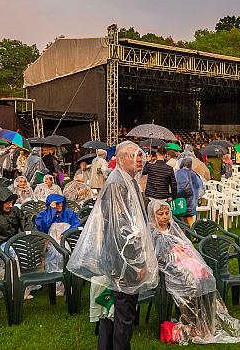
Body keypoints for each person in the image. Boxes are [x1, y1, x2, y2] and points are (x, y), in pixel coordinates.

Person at [68, 141, 158, 350]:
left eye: (140, 156)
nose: (140, 160)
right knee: (124, 312)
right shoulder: (119, 184)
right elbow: (124, 230)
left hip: (118, 257)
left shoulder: (126, 181)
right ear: (123, 158)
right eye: (135, 156)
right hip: (123, 260)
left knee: (113, 310)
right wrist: (138, 262)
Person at [147, 199, 240, 343]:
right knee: (192, 285)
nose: (164, 216)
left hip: (185, 264)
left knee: (207, 280)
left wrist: (185, 250)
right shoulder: (153, 234)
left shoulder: (173, 228)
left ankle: (206, 322)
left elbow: (185, 243)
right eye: (160, 214)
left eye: (167, 213)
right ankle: (194, 324)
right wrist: (175, 253)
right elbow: (158, 257)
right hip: (170, 270)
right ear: (152, 215)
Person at [175, 157, 205, 226]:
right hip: (192, 200)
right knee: (189, 218)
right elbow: (198, 187)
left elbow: (177, 186)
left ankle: (193, 235)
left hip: (182, 199)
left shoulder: (179, 172)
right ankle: (190, 234)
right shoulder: (194, 173)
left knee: (185, 219)